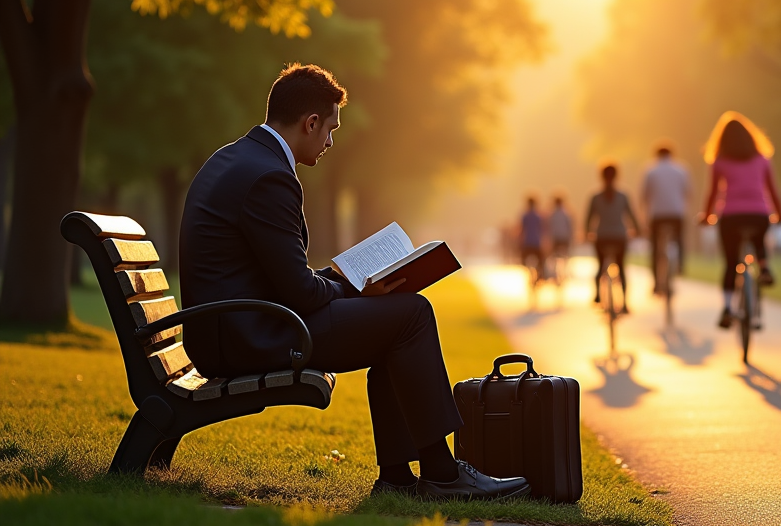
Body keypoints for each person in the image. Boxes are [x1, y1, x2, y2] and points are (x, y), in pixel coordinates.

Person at [179, 64, 528, 501]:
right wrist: (355, 287)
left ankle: (400, 477)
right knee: (412, 314)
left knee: (393, 319)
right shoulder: (270, 177)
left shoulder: (236, 158)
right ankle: (440, 472)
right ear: (310, 123)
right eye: (329, 129)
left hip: (233, 327)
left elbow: (284, 278)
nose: (329, 142)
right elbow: (301, 294)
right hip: (250, 335)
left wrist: (346, 281)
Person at [699, 111, 781, 329]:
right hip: (759, 214)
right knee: (759, 241)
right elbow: (772, 191)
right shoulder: (762, 160)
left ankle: (728, 308)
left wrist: (707, 215)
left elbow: (713, 193)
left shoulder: (720, 161)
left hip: (730, 216)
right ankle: (764, 267)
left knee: (731, 263)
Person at [585, 164, 640, 311]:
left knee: (600, 266)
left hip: (601, 237)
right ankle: (625, 304)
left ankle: (597, 295)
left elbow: (588, 219)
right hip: (619, 237)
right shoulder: (623, 195)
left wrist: (587, 233)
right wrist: (638, 230)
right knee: (621, 268)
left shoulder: (595, 197)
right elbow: (632, 216)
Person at [641, 141, 691, 294]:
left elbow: (644, 196)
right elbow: (688, 192)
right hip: (676, 213)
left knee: (655, 246)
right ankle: (681, 266)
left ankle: (656, 282)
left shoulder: (650, 171)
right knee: (680, 238)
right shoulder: (681, 170)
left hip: (657, 214)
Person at [518, 195, 545, 281]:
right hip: (536, 243)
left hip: (527, 243)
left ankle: (526, 270)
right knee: (541, 261)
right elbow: (542, 230)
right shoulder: (538, 216)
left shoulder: (525, 216)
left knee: (523, 259)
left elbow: (522, 230)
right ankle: (540, 275)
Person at [547, 194, 574, 272]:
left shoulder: (552, 214)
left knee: (554, 255)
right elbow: (570, 226)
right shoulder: (566, 213)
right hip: (564, 238)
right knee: (565, 255)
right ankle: (565, 270)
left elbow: (549, 227)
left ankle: (554, 271)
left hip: (556, 238)